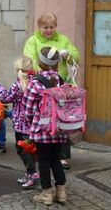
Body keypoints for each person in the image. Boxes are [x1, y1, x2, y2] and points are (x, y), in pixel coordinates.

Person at [23, 13, 79, 170]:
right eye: (45, 27)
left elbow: (76, 57)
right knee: (44, 118)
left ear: (56, 27)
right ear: (39, 27)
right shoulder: (32, 41)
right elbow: (30, 61)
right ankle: (40, 150)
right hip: (41, 84)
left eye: (51, 27)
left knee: (62, 118)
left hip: (60, 83)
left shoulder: (63, 40)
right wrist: (43, 74)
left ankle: (62, 156)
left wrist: (68, 55)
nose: (48, 30)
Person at [24, 46, 68, 205]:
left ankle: (46, 194)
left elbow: (28, 108)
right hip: (59, 128)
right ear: (57, 63)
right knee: (55, 159)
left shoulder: (35, 83)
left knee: (43, 160)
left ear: (40, 63)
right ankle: (61, 192)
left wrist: (30, 125)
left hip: (42, 129)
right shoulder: (61, 80)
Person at [0, 55, 39, 189]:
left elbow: (6, 98)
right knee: (31, 150)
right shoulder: (36, 81)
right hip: (34, 122)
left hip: (21, 124)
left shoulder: (18, 85)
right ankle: (30, 173)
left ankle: (33, 174)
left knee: (22, 150)